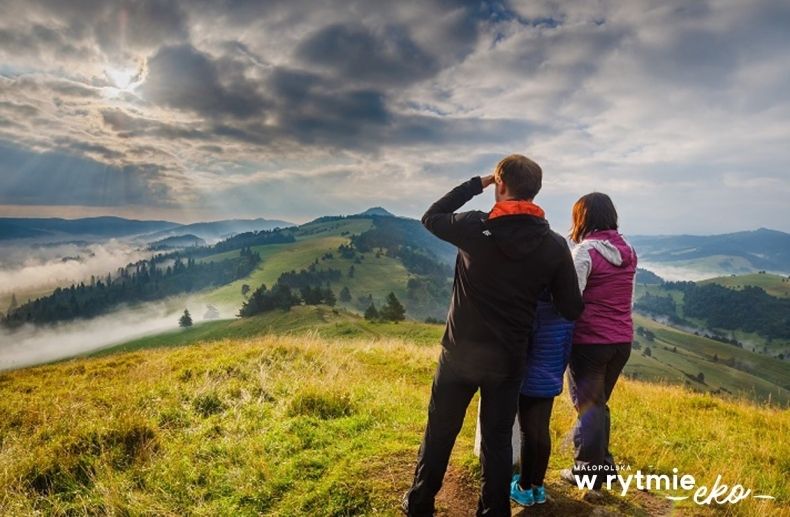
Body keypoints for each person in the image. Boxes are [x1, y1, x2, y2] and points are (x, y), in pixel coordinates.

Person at [403, 154, 584, 517]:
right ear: (536, 191)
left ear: (500, 185)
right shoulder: (553, 245)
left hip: (459, 354)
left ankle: (420, 504)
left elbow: (431, 216)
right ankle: (493, 511)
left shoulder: (474, 226)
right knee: (498, 442)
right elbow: (571, 308)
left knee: (440, 431)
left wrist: (476, 184)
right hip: (509, 358)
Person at [561, 192, 637, 497]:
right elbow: (627, 297)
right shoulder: (629, 249)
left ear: (583, 218)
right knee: (598, 404)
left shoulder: (585, 252)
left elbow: (571, 299)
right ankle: (604, 467)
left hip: (590, 342)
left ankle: (586, 476)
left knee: (587, 408)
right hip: (622, 340)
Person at [509, 293, 574, 506]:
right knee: (542, 430)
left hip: (529, 381)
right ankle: (538, 486)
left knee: (528, 432)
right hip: (552, 378)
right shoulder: (567, 312)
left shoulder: (534, 309)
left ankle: (523, 488)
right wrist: (556, 373)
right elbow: (567, 349)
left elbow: (523, 348)